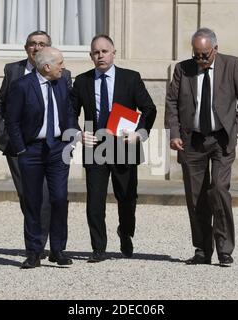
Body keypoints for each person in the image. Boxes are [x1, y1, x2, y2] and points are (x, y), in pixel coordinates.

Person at [165, 28, 238, 267]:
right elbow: (171, 102)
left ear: (215, 48)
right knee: (196, 198)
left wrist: (236, 131)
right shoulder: (182, 69)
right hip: (192, 140)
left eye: (205, 54)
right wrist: (173, 134)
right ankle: (202, 249)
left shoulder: (232, 65)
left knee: (219, 190)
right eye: (197, 55)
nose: (201, 60)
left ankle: (225, 249)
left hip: (221, 140)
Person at [71, 35, 157, 263]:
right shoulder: (82, 81)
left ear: (113, 52)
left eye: (104, 51)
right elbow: (70, 112)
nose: (100, 56)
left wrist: (139, 134)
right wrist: (79, 134)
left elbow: (149, 108)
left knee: (127, 198)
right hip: (96, 146)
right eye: (96, 53)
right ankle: (98, 247)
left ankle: (125, 232)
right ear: (91, 56)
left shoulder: (131, 78)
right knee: (95, 201)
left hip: (124, 146)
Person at [0, 31, 72, 254]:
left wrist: (70, 139)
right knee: (29, 197)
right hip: (23, 146)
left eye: (42, 44)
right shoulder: (14, 72)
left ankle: (48, 246)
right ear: (26, 47)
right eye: (32, 44)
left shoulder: (62, 76)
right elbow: (3, 105)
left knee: (55, 197)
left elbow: (68, 109)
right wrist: (12, 138)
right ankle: (36, 246)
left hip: (55, 147)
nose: (36, 47)